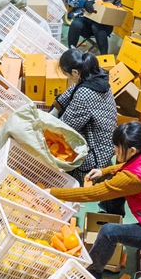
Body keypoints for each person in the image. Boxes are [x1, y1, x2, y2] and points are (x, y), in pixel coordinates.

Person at [49, 122, 141, 279]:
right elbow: (131, 165)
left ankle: (93, 272)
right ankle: (112, 216)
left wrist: (53, 193)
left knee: (108, 232)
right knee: (114, 186)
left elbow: (92, 194)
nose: (114, 150)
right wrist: (104, 171)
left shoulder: (133, 178)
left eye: (117, 146)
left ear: (132, 150)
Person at [50, 49, 117, 183]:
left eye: (67, 75)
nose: (68, 79)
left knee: (56, 141)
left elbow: (64, 126)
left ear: (75, 72)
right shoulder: (96, 77)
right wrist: (53, 111)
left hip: (96, 154)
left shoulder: (85, 94)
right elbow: (70, 93)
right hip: (108, 145)